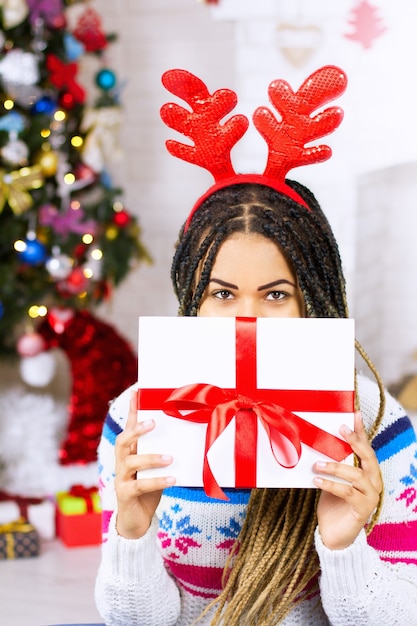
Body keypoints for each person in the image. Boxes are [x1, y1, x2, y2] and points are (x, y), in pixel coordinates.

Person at [94, 67, 417, 625]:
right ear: (192, 296)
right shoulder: (138, 418)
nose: (246, 318)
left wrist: (342, 544)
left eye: (275, 293)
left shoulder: (375, 423)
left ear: (313, 297)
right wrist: (131, 532)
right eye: (222, 292)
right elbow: (136, 620)